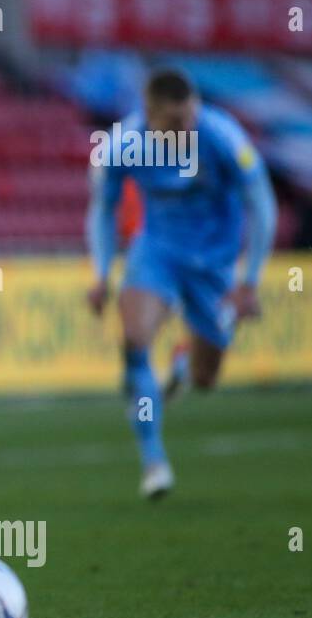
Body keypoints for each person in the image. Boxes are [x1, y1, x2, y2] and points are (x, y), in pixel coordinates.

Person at [85, 69, 276, 499]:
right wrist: (100, 273)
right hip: (158, 253)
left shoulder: (223, 136)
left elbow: (262, 203)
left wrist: (250, 281)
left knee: (207, 379)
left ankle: (185, 364)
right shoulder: (122, 146)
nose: (187, 129)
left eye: (191, 117)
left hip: (215, 264)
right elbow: (102, 209)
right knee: (134, 338)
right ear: (150, 117)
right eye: (175, 124)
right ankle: (154, 463)